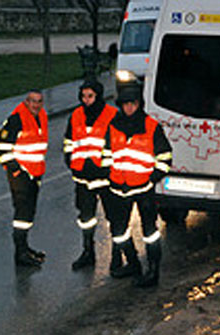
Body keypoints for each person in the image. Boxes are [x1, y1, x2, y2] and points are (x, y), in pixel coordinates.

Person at [104, 86, 172, 286]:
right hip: (118, 188)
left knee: (150, 233)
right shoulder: (113, 125)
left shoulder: (151, 126)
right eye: (125, 104)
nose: (129, 108)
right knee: (119, 231)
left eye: (132, 104)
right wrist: (110, 175)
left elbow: (165, 156)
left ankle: (153, 272)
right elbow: (106, 153)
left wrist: (152, 178)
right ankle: (133, 263)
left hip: (143, 189)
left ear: (139, 104)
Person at [63, 80, 118, 271]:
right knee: (86, 218)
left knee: (115, 217)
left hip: (106, 178)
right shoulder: (76, 115)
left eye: (90, 96)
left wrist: (108, 170)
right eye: (83, 96)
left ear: (98, 96)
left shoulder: (112, 115)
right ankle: (88, 252)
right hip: (83, 179)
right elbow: (69, 142)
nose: (86, 100)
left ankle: (117, 256)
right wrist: (71, 163)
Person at [0, 89, 49, 267]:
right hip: (21, 175)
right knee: (22, 214)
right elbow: (2, 148)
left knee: (29, 213)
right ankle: (20, 254)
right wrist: (17, 171)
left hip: (35, 173)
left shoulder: (42, 116)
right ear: (26, 101)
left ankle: (25, 248)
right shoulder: (16, 119)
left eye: (39, 101)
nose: (35, 104)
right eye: (32, 101)